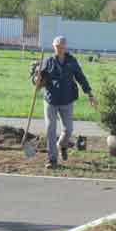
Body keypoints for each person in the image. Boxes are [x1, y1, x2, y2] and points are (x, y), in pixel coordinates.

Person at [36, 36, 96, 169]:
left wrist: (90, 94)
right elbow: (38, 84)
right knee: (50, 128)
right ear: (54, 47)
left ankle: (62, 145)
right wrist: (37, 78)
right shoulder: (48, 61)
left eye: (61, 47)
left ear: (65, 47)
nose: (59, 49)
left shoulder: (72, 61)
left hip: (67, 100)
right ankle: (52, 159)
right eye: (57, 47)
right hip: (50, 100)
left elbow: (81, 78)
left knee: (68, 130)